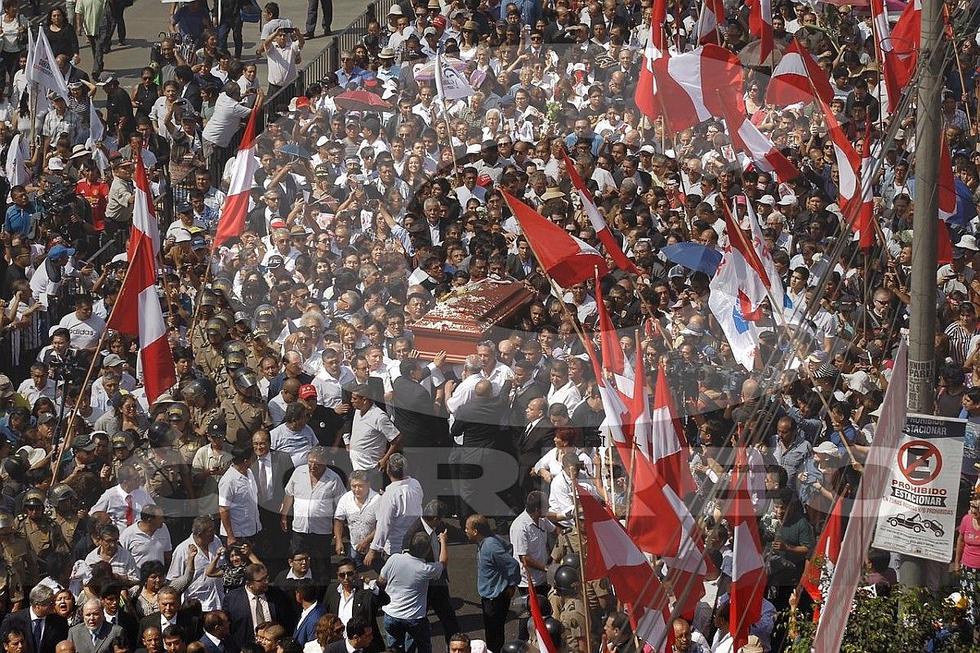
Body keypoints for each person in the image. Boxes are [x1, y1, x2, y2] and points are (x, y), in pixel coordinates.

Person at [376, 530, 448, 653]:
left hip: (391, 613)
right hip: (414, 618)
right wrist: (443, 542)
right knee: (423, 647)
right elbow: (443, 563)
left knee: (393, 649)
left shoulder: (394, 559)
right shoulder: (426, 569)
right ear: (427, 550)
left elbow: (381, 580)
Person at [281, 447, 345, 579]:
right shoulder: (298, 472)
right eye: (310, 462)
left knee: (321, 568)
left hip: (321, 532)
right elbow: (289, 494)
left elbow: (341, 508)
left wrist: (338, 537)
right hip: (299, 530)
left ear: (325, 462)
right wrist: (284, 515)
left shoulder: (334, 479)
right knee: (298, 567)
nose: (313, 466)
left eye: (317, 463)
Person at [465, 514, 520, 653]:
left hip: (494, 598)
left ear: (476, 531)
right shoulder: (491, 541)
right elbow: (508, 547)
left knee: (493, 635)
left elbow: (512, 564)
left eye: (467, 528)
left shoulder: (490, 546)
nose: (465, 531)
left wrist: (511, 584)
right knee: (494, 632)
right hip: (492, 595)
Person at [0, 585, 69, 653]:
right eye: (50, 603)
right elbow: (2, 646)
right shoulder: (13, 620)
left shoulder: (59, 621)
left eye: (54, 601)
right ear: (37, 605)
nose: (54, 605)